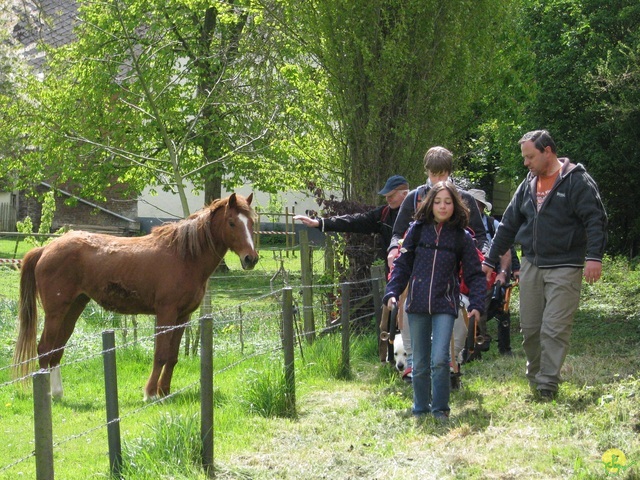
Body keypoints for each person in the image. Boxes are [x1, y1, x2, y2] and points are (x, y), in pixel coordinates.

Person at [481, 130, 607, 401]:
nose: (526, 163)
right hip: (531, 264)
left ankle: (547, 384)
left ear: (547, 150)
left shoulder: (576, 181)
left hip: (565, 264)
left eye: (530, 156)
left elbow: (595, 220)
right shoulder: (528, 183)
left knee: (554, 328)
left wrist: (594, 257)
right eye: (525, 157)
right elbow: (508, 225)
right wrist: (490, 260)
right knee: (530, 328)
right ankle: (535, 376)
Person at [383, 181, 486, 419]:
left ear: (455, 206)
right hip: (416, 305)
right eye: (438, 202)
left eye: (448, 202)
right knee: (418, 362)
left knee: (440, 359)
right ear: (430, 205)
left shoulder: (462, 237)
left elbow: (474, 275)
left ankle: (440, 410)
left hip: (445, 305)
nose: (442, 206)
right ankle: (420, 409)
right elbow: (401, 266)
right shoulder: (416, 231)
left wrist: (478, 305)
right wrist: (391, 292)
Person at [294, 174, 409, 274]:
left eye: (391, 196)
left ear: (405, 194)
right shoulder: (383, 214)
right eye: (386, 196)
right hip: (393, 274)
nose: (387, 199)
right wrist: (319, 222)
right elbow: (353, 221)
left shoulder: (420, 214)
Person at [467, 188, 521, 357]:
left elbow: (508, 248)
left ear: (482, 207)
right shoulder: (460, 223)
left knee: (500, 304)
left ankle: (501, 347)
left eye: (477, 205)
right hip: (469, 270)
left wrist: (513, 270)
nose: (474, 208)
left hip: (493, 271)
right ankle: (475, 343)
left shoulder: (493, 224)